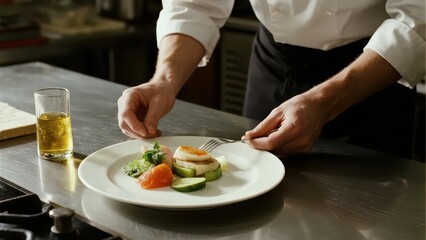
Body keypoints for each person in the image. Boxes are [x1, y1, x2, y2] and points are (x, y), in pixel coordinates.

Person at [117, 0, 425, 158]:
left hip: (371, 73)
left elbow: (418, 17)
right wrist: (163, 80)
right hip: (274, 64)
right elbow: (195, 4)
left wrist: (324, 101)